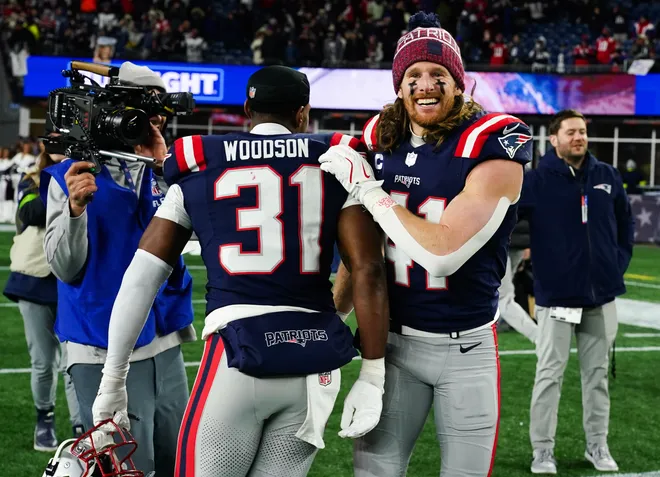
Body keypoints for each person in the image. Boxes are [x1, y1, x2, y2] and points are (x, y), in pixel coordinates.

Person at [91, 65, 390, 477]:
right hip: (313, 364)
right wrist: (373, 373)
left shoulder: (200, 163)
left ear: (248, 108)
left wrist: (111, 382)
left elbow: (141, 277)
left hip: (236, 356)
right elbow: (368, 269)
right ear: (303, 113)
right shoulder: (337, 159)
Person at [321, 12, 532, 477]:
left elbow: (442, 254)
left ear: (458, 83)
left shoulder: (493, 141)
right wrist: (331, 319)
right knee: (373, 472)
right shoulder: (380, 137)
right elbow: (362, 251)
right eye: (412, 75)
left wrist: (371, 192)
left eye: (439, 74)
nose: (425, 84)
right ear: (399, 86)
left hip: (467, 349)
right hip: (393, 345)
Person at [40, 62, 196, 477]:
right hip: (99, 344)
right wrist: (74, 211)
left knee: (177, 458)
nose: (156, 128)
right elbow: (64, 267)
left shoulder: (157, 170)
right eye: (149, 119)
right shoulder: (68, 175)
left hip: (162, 339)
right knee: (129, 465)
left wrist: (164, 171)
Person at [518, 109, 634, 474]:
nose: (578, 137)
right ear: (553, 139)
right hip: (557, 298)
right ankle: (542, 450)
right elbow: (514, 224)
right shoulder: (536, 180)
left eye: (582, 131)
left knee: (597, 376)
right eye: (570, 132)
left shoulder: (607, 176)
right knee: (549, 376)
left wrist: (615, 266)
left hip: (599, 297)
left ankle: (597, 446)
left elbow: (625, 227)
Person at [3, 146, 83, 452]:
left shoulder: (88, 175)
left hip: (73, 281)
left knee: (75, 361)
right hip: (35, 280)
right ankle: (44, 419)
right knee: (42, 361)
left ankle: (80, 427)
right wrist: (61, 182)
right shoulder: (32, 179)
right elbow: (30, 213)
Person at [496, 219, 538, 343]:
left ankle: (539, 337)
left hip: (501, 240)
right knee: (501, 295)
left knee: (503, 299)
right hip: (519, 240)